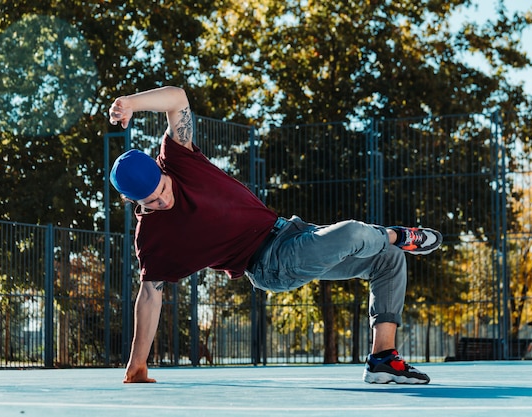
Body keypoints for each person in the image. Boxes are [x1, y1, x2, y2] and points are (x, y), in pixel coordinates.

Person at [108, 86, 443, 385]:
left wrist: (131, 103)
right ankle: (398, 235)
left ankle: (383, 361)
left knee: (388, 260)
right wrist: (137, 364)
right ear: (133, 202)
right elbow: (149, 297)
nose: (163, 199)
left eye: (163, 189)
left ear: (162, 171)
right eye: (151, 201)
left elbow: (178, 98)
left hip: (291, 232)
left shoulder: (178, 158)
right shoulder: (152, 240)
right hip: (270, 264)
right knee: (357, 232)